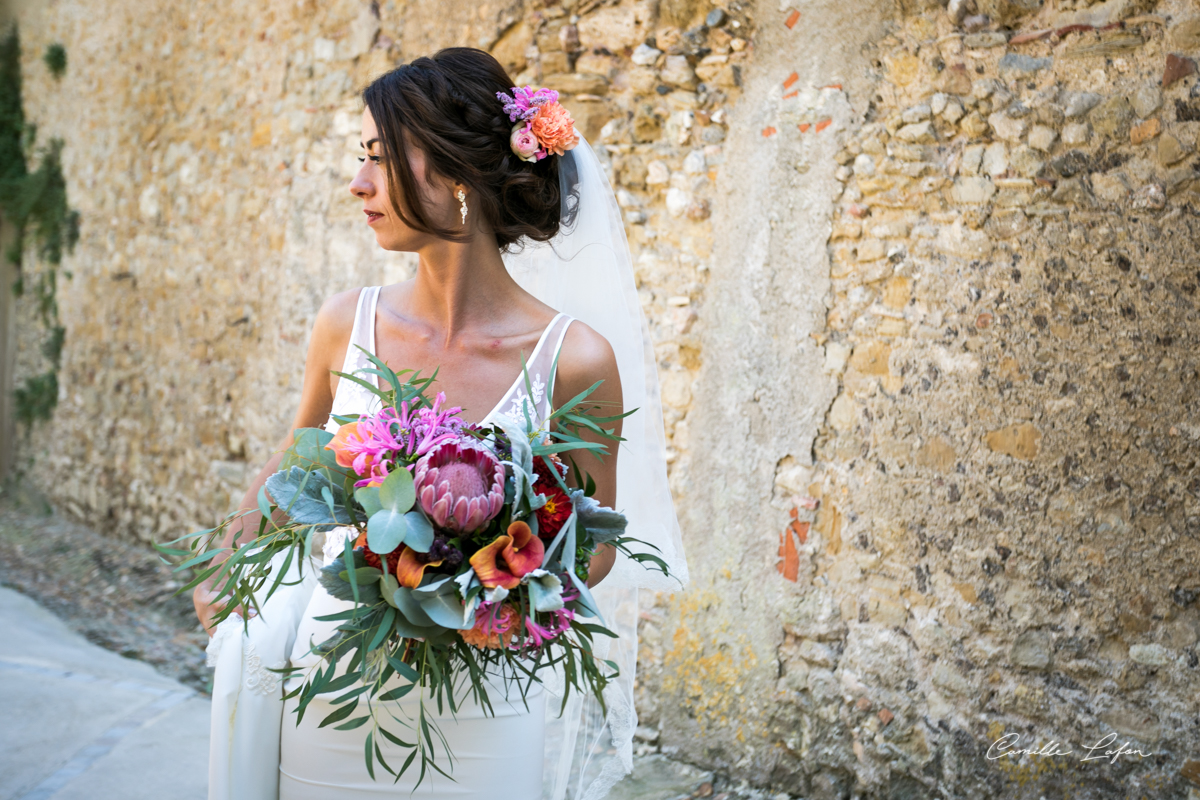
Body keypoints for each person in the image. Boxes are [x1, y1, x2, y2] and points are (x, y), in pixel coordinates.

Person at [194, 47, 687, 800]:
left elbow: (593, 549)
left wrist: (484, 596)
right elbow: (295, 463)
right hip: (335, 679)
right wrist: (229, 558)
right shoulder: (343, 323)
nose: (358, 183)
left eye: (382, 159)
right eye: (363, 158)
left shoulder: (575, 359)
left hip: (487, 696)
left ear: (456, 173)